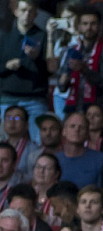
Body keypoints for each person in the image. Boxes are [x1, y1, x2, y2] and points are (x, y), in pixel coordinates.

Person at [0, 0, 49, 143]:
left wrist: (36, 59)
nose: (26, 14)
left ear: (36, 14)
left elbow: (50, 71)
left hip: (35, 98)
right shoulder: (4, 38)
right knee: (4, 142)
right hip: (8, 98)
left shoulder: (43, 37)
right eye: (23, 10)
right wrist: (6, 66)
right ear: (15, 12)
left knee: (38, 141)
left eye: (30, 11)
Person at [57, 7, 103, 114]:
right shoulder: (72, 50)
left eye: (93, 24)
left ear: (99, 26)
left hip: (98, 108)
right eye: (85, 24)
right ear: (79, 27)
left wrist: (84, 70)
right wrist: (64, 79)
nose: (89, 27)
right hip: (74, 108)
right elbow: (62, 87)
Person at [56, 112, 103, 189]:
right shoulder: (55, 160)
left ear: (87, 134)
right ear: (64, 131)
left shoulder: (100, 159)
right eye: (72, 126)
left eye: (82, 127)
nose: (77, 130)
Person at [3, 107, 40, 183]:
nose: (12, 122)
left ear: (27, 125)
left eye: (17, 118)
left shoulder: (34, 150)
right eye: (8, 118)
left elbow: (35, 176)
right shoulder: (1, 146)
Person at [31, 153, 60, 224]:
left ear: (56, 174)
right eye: (38, 167)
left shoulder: (61, 196)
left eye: (47, 168)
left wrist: (43, 217)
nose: (41, 171)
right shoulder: (29, 192)